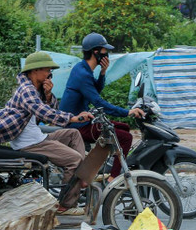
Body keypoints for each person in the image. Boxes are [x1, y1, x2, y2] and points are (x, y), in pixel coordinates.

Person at [0, 51, 93, 212]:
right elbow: (44, 113)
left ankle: (81, 176)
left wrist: (48, 95)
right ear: (35, 70)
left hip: (38, 137)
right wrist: (74, 118)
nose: (50, 74)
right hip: (30, 144)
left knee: (73, 134)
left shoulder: (35, 89)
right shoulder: (26, 89)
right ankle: (66, 205)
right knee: (74, 159)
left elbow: (49, 109)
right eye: (47, 70)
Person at [60, 33, 144, 178]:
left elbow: (93, 91)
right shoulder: (82, 73)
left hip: (84, 120)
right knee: (125, 138)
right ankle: (113, 178)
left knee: (124, 128)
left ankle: (104, 162)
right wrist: (128, 112)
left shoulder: (83, 68)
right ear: (96, 52)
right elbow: (98, 102)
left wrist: (103, 73)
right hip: (77, 126)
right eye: (105, 50)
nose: (107, 53)